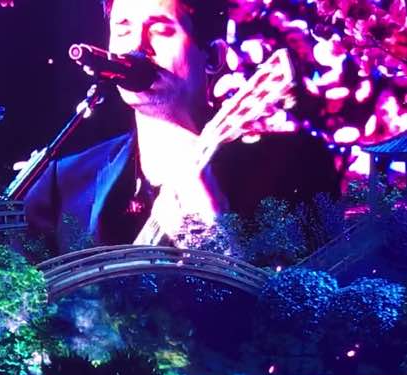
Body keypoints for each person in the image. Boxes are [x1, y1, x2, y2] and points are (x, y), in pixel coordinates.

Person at [24, 0, 339, 253]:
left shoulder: (297, 166)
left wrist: (216, 244)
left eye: (160, 30)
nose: (135, 46)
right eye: (122, 29)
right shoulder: (62, 183)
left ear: (213, 56)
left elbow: (304, 321)